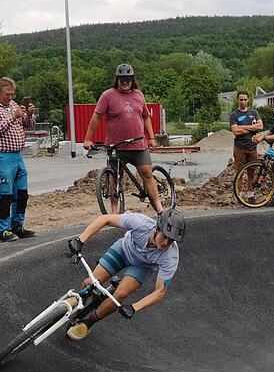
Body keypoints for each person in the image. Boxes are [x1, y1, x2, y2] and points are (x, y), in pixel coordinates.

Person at [65, 208, 186, 340]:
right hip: (124, 250)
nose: (165, 243)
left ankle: (89, 322)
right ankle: (78, 304)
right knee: (90, 283)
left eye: (171, 241)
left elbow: (160, 292)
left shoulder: (171, 256)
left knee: (120, 294)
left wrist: (134, 307)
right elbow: (106, 219)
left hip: (142, 266)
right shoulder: (141, 223)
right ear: (157, 229)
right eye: (164, 237)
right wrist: (80, 240)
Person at [83, 63, 162, 214]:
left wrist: (151, 138)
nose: (124, 82)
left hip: (138, 144)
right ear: (117, 79)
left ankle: (159, 208)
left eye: (127, 79)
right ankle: (114, 212)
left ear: (132, 79)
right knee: (115, 177)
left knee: (146, 173)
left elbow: (146, 117)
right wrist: (88, 139)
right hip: (116, 146)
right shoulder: (107, 96)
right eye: (121, 79)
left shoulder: (139, 95)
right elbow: (96, 118)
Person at [0, 77, 38, 243]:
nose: (11, 97)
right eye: (7, 94)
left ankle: (17, 226)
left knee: (22, 193)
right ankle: (3, 230)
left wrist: (30, 114)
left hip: (17, 154)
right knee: (6, 194)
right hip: (0, 155)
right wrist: (13, 117)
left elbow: (27, 125)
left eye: (13, 94)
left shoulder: (13, 105)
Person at [229, 90, 263, 200]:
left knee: (252, 172)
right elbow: (236, 131)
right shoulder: (234, 115)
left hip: (252, 147)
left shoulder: (254, 113)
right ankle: (239, 196)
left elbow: (260, 126)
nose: (243, 102)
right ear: (237, 100)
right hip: (240, 148)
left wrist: (243, 126)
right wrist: (251, 128)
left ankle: (250, 195)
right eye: (241, 100)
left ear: (248, 100)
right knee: (239, 172)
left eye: (245, 99)